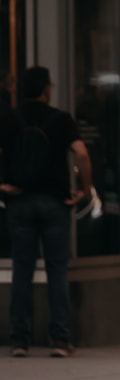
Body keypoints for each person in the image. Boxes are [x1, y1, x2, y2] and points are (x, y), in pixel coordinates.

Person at [0, 65, 94, 357]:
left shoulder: (9, 119)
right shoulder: (61, 120)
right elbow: (81, 153)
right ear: (46, 89)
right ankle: (60, 339)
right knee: (56, 270)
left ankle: (19, 340)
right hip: (55, 202)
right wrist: (85, 188)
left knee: (22, 270)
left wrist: (2, 184)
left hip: (19, 202)